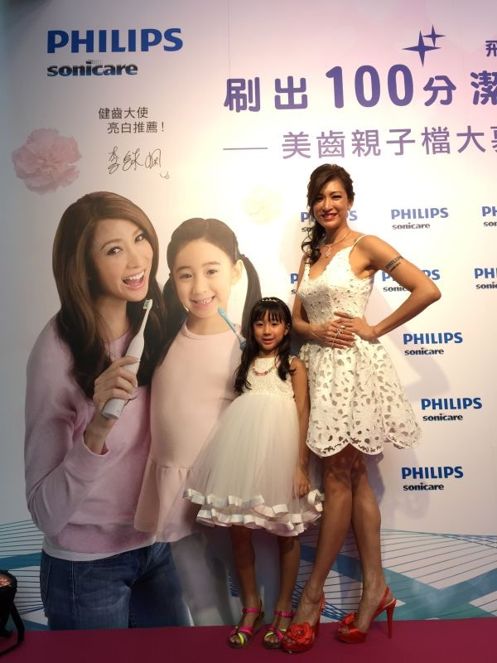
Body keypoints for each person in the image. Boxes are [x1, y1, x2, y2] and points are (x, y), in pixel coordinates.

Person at [281, 164, 441, 652]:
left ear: (349, 200)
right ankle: (376, 589)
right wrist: (313, 331)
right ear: (312, 205)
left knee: (339, 477)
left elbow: (427, 289)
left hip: (354, 371)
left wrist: (373, 328)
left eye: (335, 196)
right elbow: (296, 319)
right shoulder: (313, 253)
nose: (327, 205)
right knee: (353, 478)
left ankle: (312, 597)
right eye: (319, 198)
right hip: (319, 370)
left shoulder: (365, 245)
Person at [24, 192, 189, 630]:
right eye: (114, 250)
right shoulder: (56, 354)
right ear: (84, 267)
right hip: (86, 567)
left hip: (156, 547)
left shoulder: (155, 321)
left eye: (140, 238)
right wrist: (98, 426)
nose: (137, 259)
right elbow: (45, 512)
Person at [134, 218, 262, 625]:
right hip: (175, 490)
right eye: (185, 275)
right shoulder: (161, 338)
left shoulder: (247, 345)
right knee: (201, 601)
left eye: (211, 271)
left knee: (251, 595)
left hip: (226, 491)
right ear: (172, 279)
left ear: (235, 271)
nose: (199, 287)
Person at [184, 297, 322, 649]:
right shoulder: (245, 366)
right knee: (239, 531)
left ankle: (284, 610)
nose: (267, 330)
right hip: (242, 459)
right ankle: (251, 608)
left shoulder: (293, 366)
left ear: (287, 328)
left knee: (286, 531)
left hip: (283, 459)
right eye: (260, 323)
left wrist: (300, 466)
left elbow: (303, 414)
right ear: (251, 328)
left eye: (275, 323)